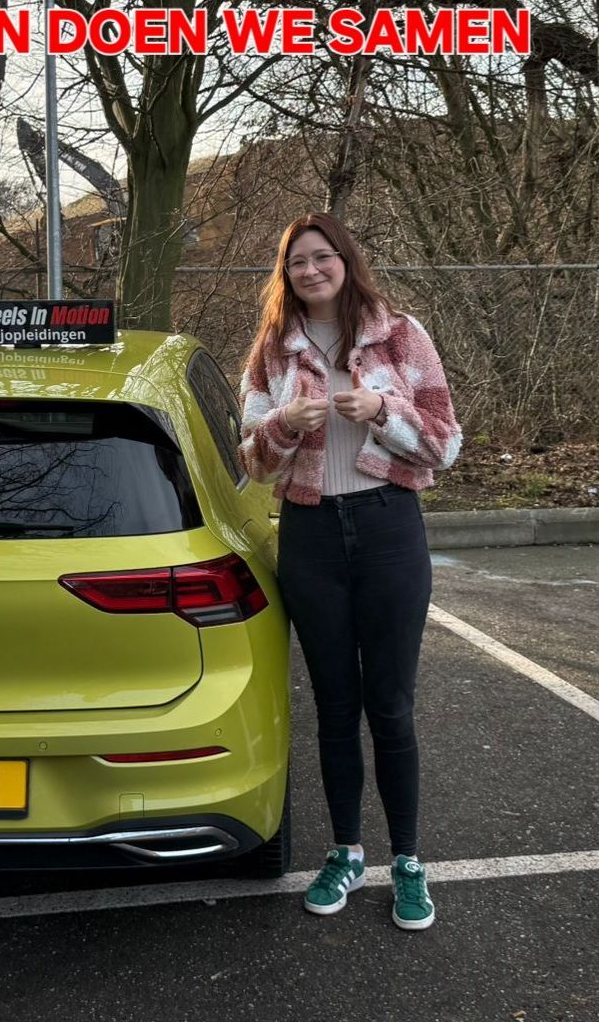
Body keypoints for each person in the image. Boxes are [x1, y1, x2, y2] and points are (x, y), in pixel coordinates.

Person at [238, 212, 461, 931]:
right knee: (334, 706)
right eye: (297, 262)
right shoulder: (272, 349)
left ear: (345, 260)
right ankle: (345, 852)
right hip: (310, 536)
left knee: (389, 705)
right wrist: (284, 426)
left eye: (321, 257)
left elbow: (445, 444)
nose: (310, 271)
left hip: (389, 529)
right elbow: (252, 459)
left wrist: (382, 410)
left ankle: (408, 861)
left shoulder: (402, 335)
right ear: (285, 274)